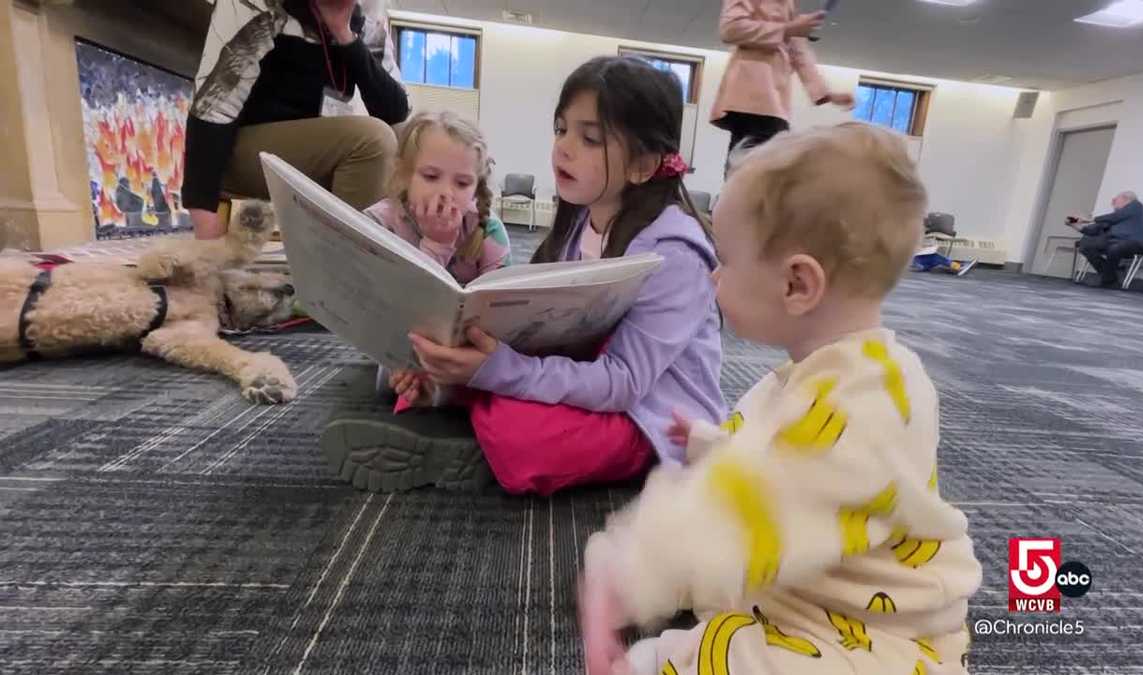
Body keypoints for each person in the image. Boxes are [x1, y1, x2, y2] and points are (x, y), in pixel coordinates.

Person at [577, 124, 981, 675]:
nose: (715, 276)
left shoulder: (865, 400)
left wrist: (627, 573)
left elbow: (751, 501)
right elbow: (783, 457)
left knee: (743, 647)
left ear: (796, 285)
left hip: (877, 636)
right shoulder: (826, 370)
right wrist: (709, 443)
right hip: (808, 594)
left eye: (726, 260)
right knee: (720, 621)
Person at [323, 56, 726, 496]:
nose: (563, 148)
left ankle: (469, 427)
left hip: (652, 413)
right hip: (588, 377)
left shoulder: (676, 253)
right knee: (462, 364)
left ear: (642, 165)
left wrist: (492, 370)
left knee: (527, 436)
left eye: (589, 138)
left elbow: (624, 383)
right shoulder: (581, 220)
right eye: (561, 129)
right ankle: (450, 401)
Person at [182, 0, 409, 240]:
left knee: (405, 138)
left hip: (309, 152)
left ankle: (353, 248)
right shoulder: (257, 5)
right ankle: (343, 258)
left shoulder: (365, 16)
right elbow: (212, 108)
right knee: (374, 140)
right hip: (240, 151)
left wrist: (345, 35)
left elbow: (395, 111)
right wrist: (206, 228)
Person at [364, 110, 512, 403]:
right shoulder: (379, 224)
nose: (446, 193)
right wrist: (436, 244)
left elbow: (502, 315)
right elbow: (379, 309)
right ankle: (420, 384)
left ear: (476, 188)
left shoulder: (488, 229)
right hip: (399, 338)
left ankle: (438, 388)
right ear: (404, 175)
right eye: (431, 176)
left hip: (465, 346)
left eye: (462, 183)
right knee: (391, 370)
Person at [711, 1, 854, 166]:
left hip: (775, 105)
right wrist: (788, 29)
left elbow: (798, 52)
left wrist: (825, 93)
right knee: (753, 168)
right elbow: (730, 29)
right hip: (751, 98)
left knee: (761, 167)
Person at [1067, 190, 1143, 287]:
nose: (1112, 201)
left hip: (1135, 243)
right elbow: (1091, 230)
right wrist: (1074, 225)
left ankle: (1108, 280)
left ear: (1126, 199)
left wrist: (1089, 219)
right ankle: (1112, 276)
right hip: (1115, 242)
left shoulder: (1137, 207)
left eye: (1116, 199)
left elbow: (1115, 217)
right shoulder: (1114, 217)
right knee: (1085, 247)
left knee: (1114, 248)